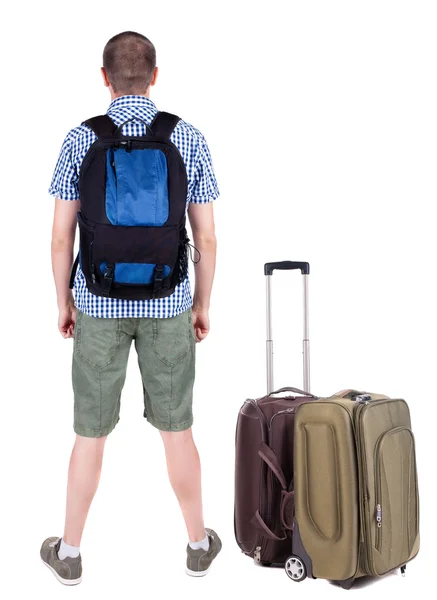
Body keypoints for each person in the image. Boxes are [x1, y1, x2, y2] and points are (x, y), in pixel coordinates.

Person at [40, 31, 221, 585]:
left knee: (89, 435)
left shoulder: (80, 140)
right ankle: (196, 545)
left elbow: (59, 239)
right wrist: (200, 303)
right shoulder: (186, 137)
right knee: (178, 432)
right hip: (169, 303)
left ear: (105, 79)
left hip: (98, 302)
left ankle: (69, 554)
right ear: (155, 76)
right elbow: (207, 239)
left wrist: (65, 300)